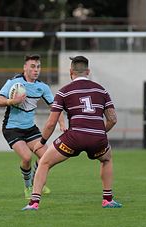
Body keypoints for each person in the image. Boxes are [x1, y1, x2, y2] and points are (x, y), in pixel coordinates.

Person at [22, 55, 122, 210]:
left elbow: (51, 123)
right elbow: (113, 119)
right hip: (97, 138)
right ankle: (108, 199)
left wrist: (41, 142)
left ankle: (34, 203)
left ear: (71, 72)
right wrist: (100, 132)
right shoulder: (101, 90)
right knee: (106, 159)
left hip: (74, 138)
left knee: (44, 163)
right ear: (88, 71)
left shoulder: (64, 92)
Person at [0, 54, 65, 199]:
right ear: (25, 67)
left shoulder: (42, 87)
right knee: (27, 157)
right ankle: (28, 187)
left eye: (38, 67)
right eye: (32, 66)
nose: (36, 70)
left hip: (30, 128)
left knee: (47, 157)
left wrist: (62, 124)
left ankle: (36, 180)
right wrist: (12, 101)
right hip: (12, 128)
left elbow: (56, 107)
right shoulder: (14, 82)